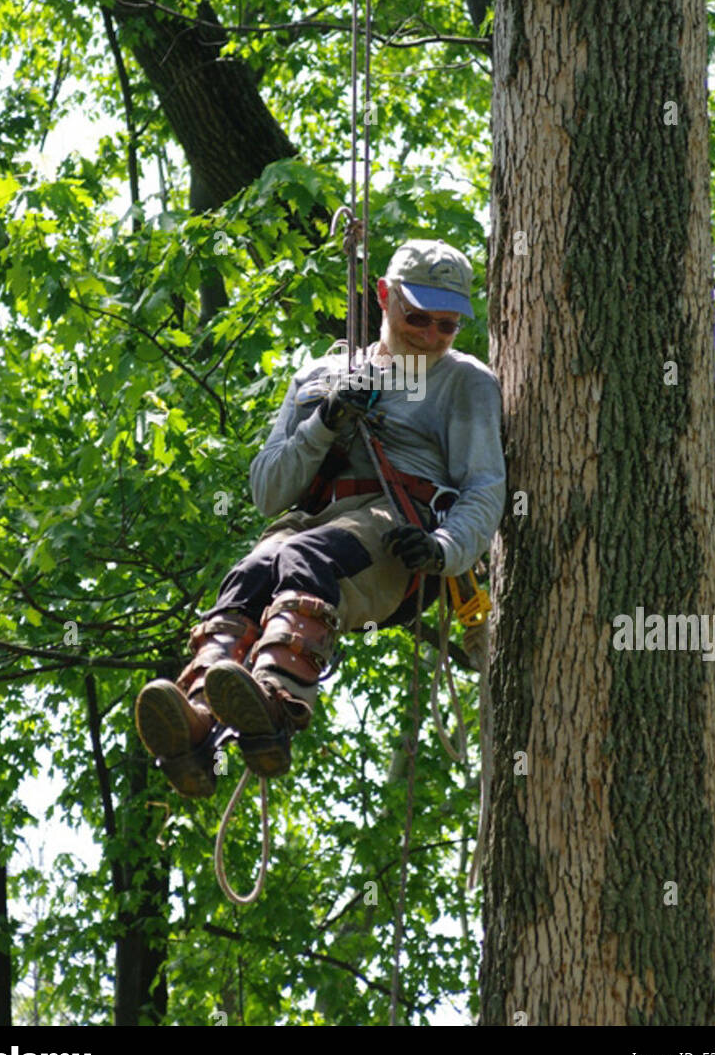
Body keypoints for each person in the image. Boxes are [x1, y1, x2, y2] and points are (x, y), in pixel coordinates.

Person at [135, 239, 506, 791]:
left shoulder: (465, 382)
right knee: (253, 572)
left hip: (397, 530)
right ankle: (197, 722)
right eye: (418, 318)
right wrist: (324, 420)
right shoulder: (322, 374)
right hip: (317, 521)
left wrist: (445, 549)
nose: (430, 337)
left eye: (446, 326)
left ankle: (278, 705)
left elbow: (484, 487)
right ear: (384, 296)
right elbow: (267, 491)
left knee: (304, 558)